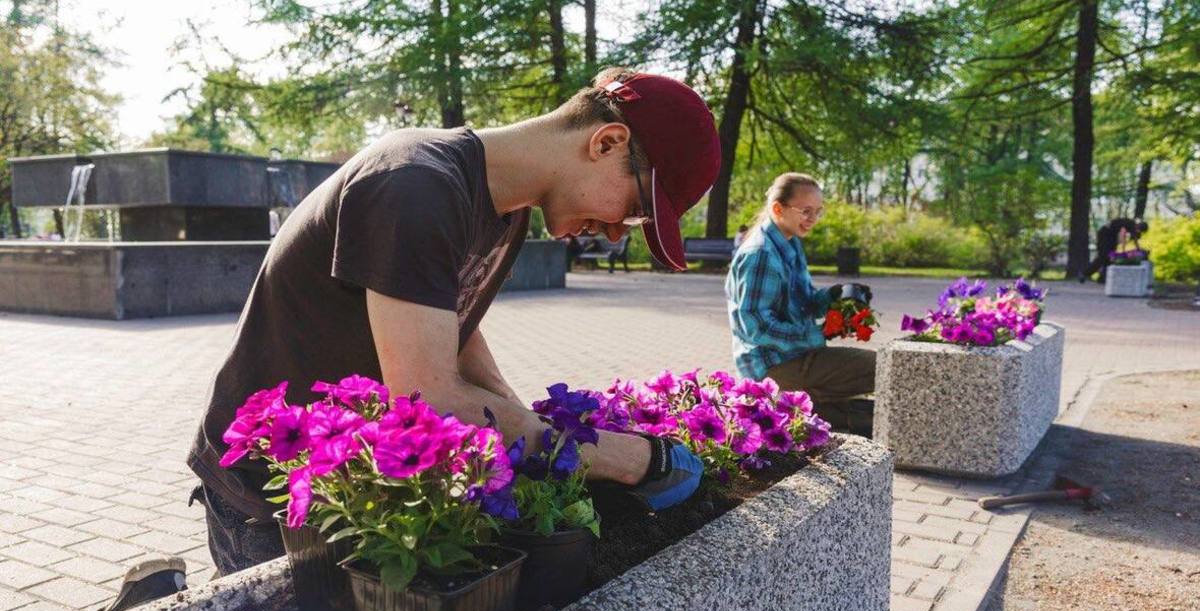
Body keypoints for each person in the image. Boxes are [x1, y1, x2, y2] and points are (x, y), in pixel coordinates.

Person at [178, 68, 722, 578]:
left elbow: (453, 328)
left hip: (352, 476)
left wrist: (528, 426)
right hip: (270, 489)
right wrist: (629, 458)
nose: (613, 236)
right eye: (633, 211)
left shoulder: (504, 209)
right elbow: (428, 399)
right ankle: (152, 596)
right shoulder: (414, 183)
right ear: (606, 143)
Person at [725, 173, 875, 435]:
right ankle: (783, 400)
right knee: (882, 368)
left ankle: (799, 408)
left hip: (795, 354)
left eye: (818, 212)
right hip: (773, 366)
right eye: (805, 211)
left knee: (861, 414)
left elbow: (805, 303)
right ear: (777, 209)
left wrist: (834, 296)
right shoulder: (760, 255)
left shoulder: (790, 244)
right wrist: (819, 334)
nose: (813, 219)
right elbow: (756, 328)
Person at [1080, 217, 1145, 283]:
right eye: (1139, 230)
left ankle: (1102, 278)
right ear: (1139, 227)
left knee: (1110, 256)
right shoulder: (1131, 224)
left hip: (1111, 236)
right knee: (1103, 256)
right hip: (1105, 234)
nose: (1138, 231)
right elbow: (1123, 234)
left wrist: (1137, 249)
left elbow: (1133, 238)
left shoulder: (1132, 225)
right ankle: (1084, 274)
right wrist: (1124, 249)